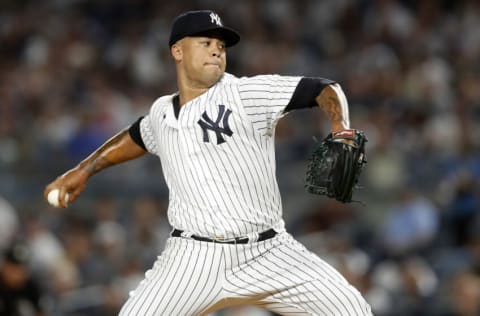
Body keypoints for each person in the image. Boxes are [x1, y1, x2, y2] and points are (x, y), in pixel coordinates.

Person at [45, 10, 372, 315]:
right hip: (192, 258)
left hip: (268, 251)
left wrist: (339, 125)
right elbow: (136, 137)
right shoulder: (161, 111)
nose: (216, 50)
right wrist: (84, 169)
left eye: (220, 45)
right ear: (177, 52)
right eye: (205, 43)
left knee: (353, 310)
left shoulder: (244, 94)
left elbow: (323, 88)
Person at [0, 242, 47, 316]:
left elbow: (41, 311)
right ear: (4, 266)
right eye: (13, 267)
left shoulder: (31, 287)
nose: (17, 273)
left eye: (21, 268)